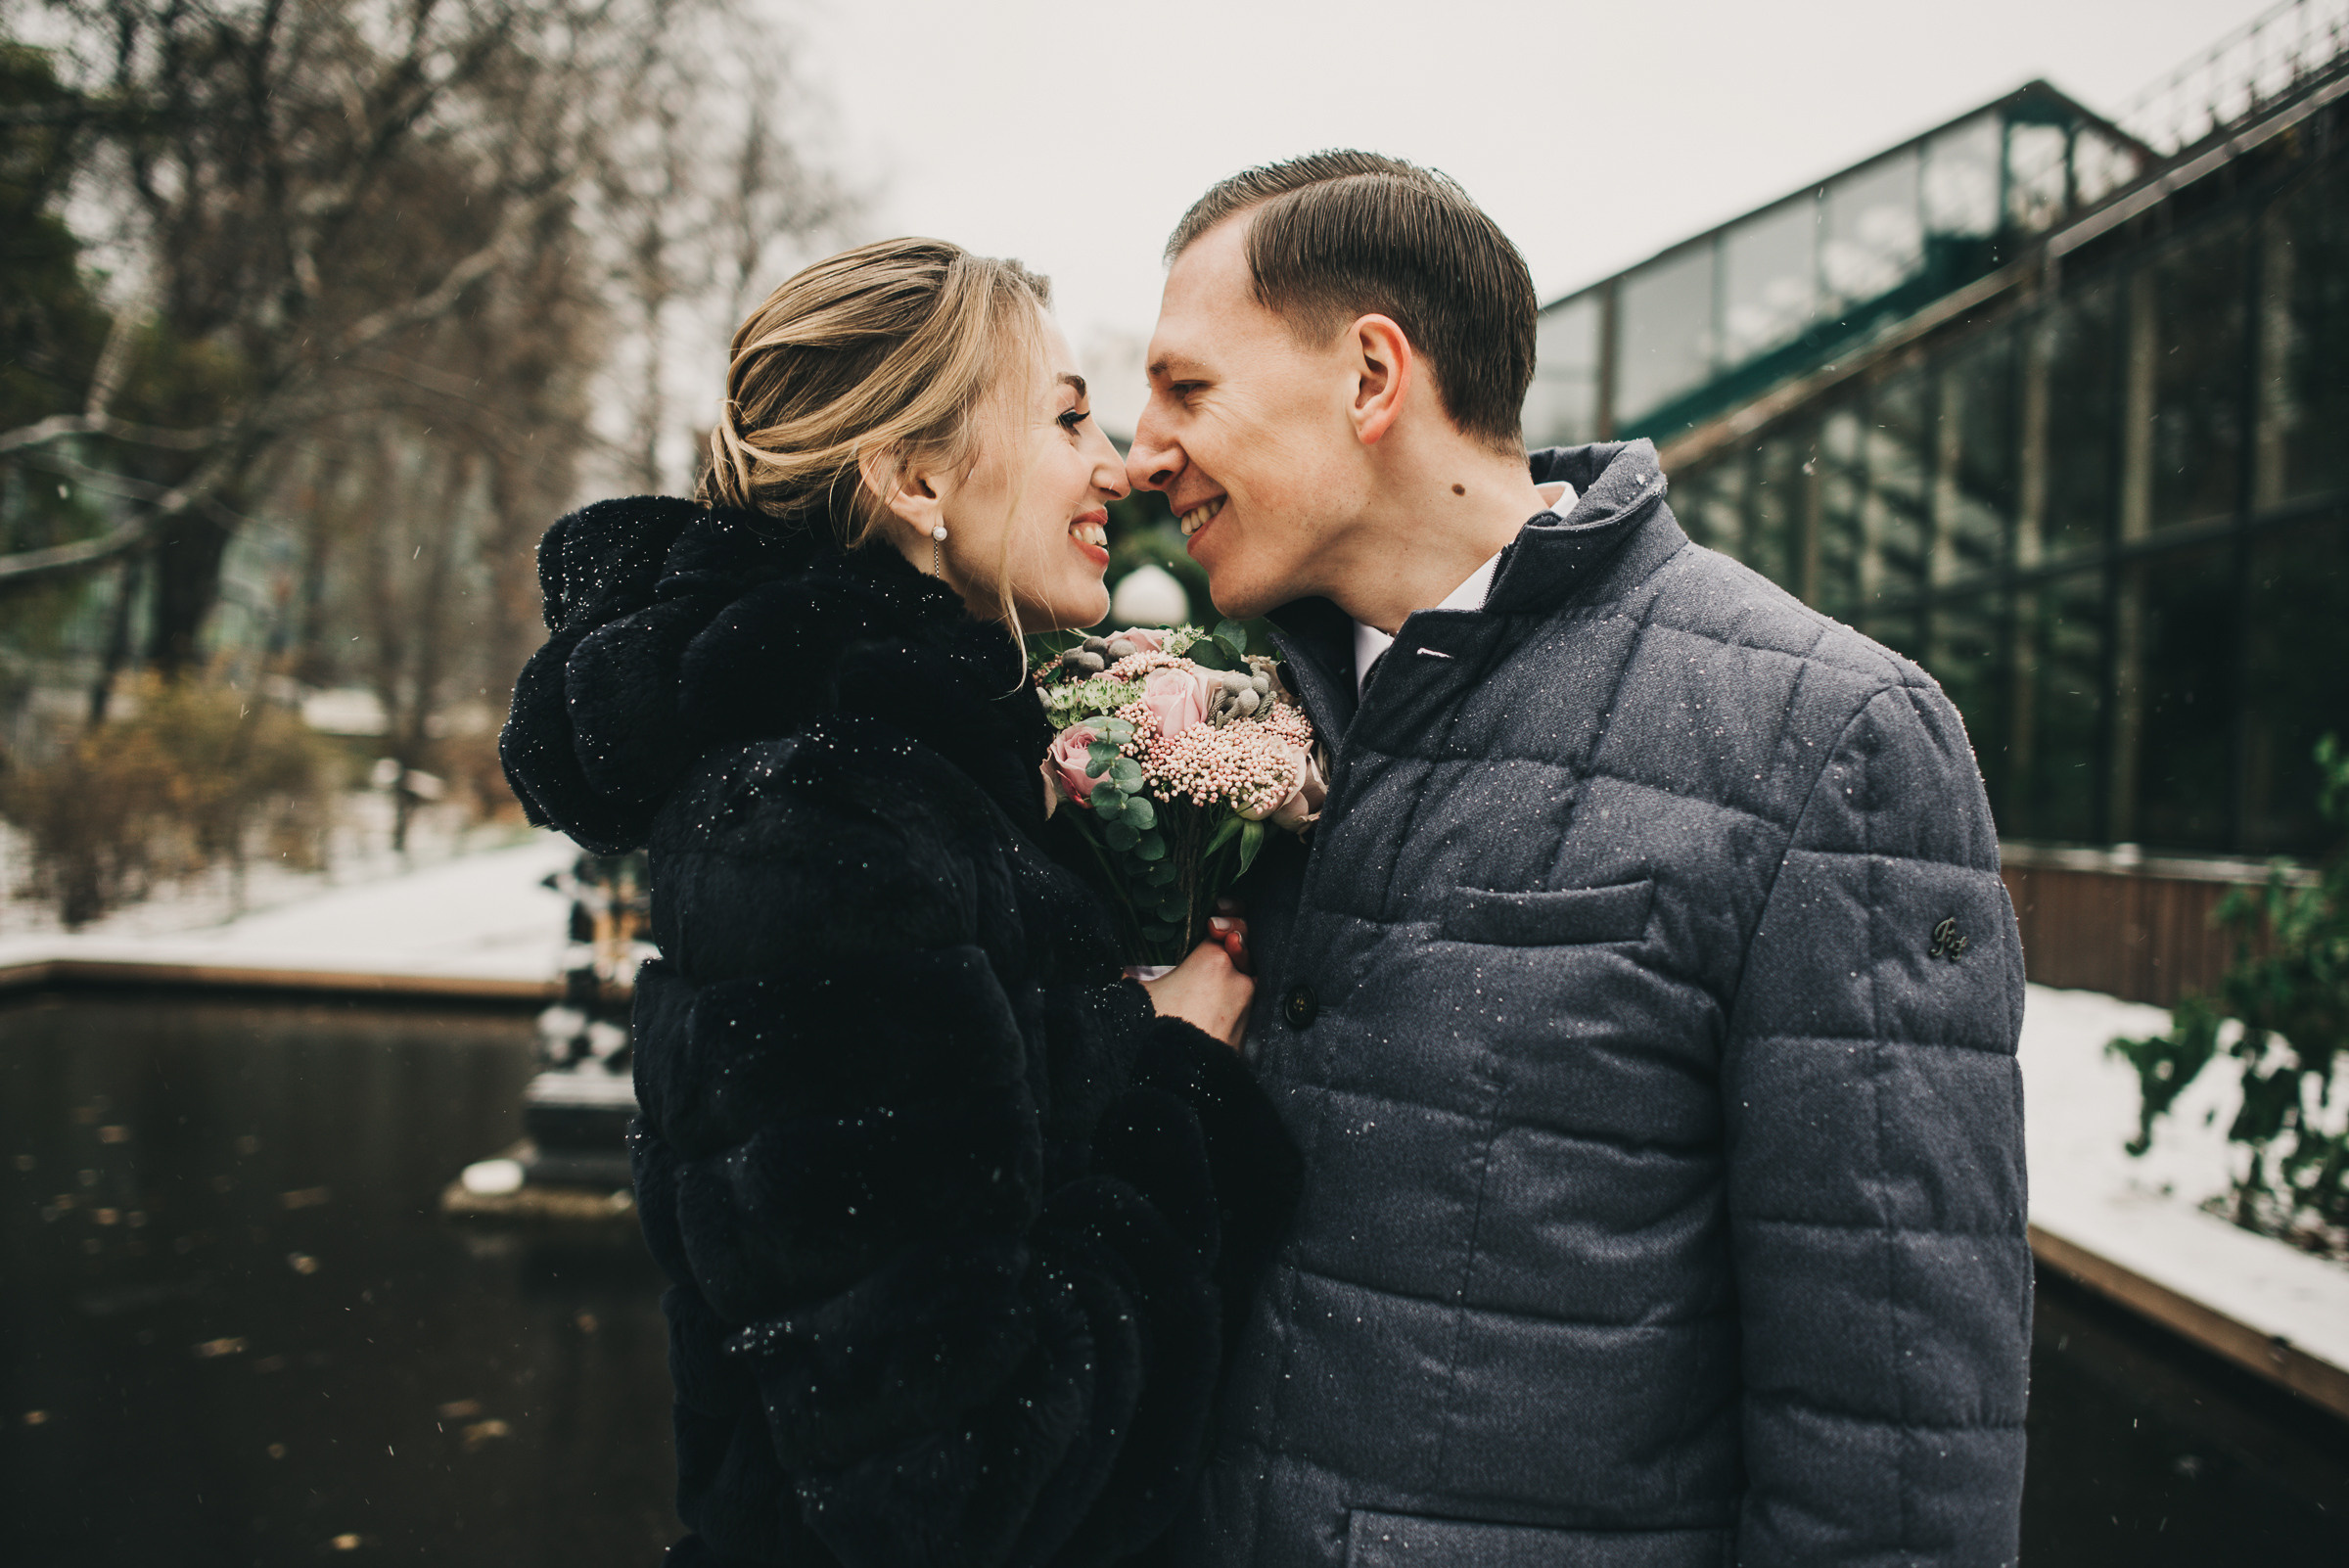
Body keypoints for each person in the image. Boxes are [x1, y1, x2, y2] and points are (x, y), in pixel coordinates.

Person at [1126, 152, 2031, 1568]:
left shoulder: (1825, 739)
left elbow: (1894, 1432)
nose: (1138, 448)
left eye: (1186, 390)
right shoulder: (1228, 726)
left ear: (1373, 376)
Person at [499, 237, 1296, 1567]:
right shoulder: (828, 828)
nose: (1117, 465)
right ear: (914, 476)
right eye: (1063, 416)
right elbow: (952, 1480)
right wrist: (1187, 1088)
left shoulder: (899, 776)